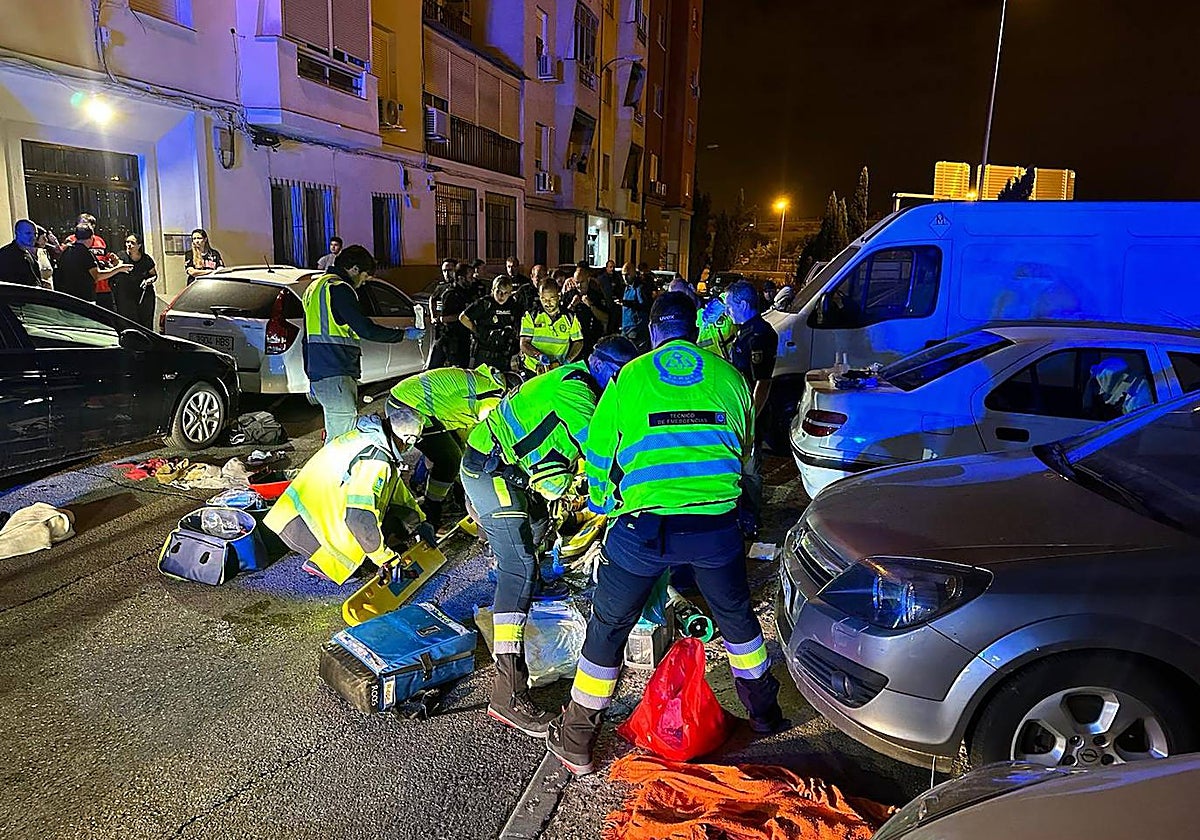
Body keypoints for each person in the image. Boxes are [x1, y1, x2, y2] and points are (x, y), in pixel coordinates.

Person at [547, 293, 787, 776]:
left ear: (655, 331)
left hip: (644, 530)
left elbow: (598, 452)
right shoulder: (730, 377)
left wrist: (602, 501)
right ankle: (764, 714)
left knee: (610, 625)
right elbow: (745, 455)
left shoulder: (629, 377)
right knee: (738, 622)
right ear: (695, 329)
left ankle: (576, 739)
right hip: (715, 528)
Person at [460, 335, 638, 738]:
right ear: (610, 373)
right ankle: (506, 694)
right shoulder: (577, 393)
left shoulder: (578, 381)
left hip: (511, 469)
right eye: (624, 380)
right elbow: (603, 457)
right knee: (519, 567)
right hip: (491, 471)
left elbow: (558, 468)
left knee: (538, 534)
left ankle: (524, 608)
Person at [264, 403, 436, 583]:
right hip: (303, 524)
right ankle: (323, 563)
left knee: (375, 527)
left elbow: (395, 490)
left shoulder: (369, 438)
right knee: (352, 555)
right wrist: (386, 560)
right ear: (407, 439)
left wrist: (419, 520)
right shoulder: (375, 462)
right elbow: (359, 518)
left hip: (296, 509)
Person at [302, 244, 423, 441]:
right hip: (337, 369)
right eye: (365, 276)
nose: (364, 282)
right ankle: (337, 472)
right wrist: (403, 335)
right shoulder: (340, 289)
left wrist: (310, 374)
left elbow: (307, 337)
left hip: (320, 371)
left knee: (335, 430)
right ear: (354, 269)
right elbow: (365, 329)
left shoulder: (315, 287)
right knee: (342, 438)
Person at [386, 364, 521, 530]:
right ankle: (431, 513)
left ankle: (449, 496)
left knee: (457, 455)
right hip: (410, 409)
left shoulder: (487, 384)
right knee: (450, 460)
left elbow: (466, 436)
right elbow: (481, 441)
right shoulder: (493, 403)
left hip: (410, 400)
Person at [726, 281, 779, 537]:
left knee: (750, 469)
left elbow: (763, 382)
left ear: (743, 304)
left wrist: (750, 418)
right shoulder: (745, 331)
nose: (728, 311)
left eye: (730, 305)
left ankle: (752, 520)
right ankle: (743, 514)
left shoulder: (759, 335)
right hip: (741, 411)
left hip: (752, 414)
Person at [519, 278, 583, 375]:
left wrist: (567, 361)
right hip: (533, 370)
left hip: (557, 370)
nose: (547, 303)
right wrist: (538, 356)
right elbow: (524, 344)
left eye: (551, 298)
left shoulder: (570, 317)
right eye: (543, 299)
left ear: (559, 296)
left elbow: (578, 342)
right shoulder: (531, 316)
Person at [54, 224, 131, 303]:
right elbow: (97, 276)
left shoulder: (66, 251)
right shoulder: (85, 253)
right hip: (84, 299)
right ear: (91, 237)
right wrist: (119, 269)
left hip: (67, 298)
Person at [461, 275, 521, 370]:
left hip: (503, 354)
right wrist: (477, 331)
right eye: (499, 292)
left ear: (510, 293)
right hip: (484, 352)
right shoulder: (485, 303)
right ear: (493, 290)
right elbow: (463, 318)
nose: (501, 296)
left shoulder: (513, 306)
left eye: (505, 293)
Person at [429, 261, 475, 369]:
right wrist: (465, 315)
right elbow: (444, 317)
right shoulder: (451, 294)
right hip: (452, 339)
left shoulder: (468, 292)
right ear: (461, 278)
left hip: (464, 337)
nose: (472, 279)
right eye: (469, 277)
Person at [114, 233, 158, 328]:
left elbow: (154, 275)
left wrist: (148, 281)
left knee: (146, 322)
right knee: (127, 322)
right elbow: (117, 266)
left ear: (139, 245)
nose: (129, 245)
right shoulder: (121, 256)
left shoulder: (146, 259)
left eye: (132, 243)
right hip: (126, 296)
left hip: (144, 295)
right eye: (127, 242)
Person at [619, 261, 652, 350]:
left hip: (636, 329)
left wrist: (627, 303)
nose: (625, 278)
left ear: (633, 273)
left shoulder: (640, 287)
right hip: (626, 328)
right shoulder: (627, 287)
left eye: (627, 274)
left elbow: (644, 305)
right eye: (623, 275)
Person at [697, 293, 737, 359]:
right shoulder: (697, 316)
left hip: (731, 360)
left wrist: (722, 301)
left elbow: (739, 295)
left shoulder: (727, 308)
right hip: (708, 362)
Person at [0, 220, 40, 286]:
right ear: (17, 233)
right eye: (28, 233)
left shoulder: (28, 253)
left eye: (35, 234)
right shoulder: (6, 255)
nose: (33, 237)